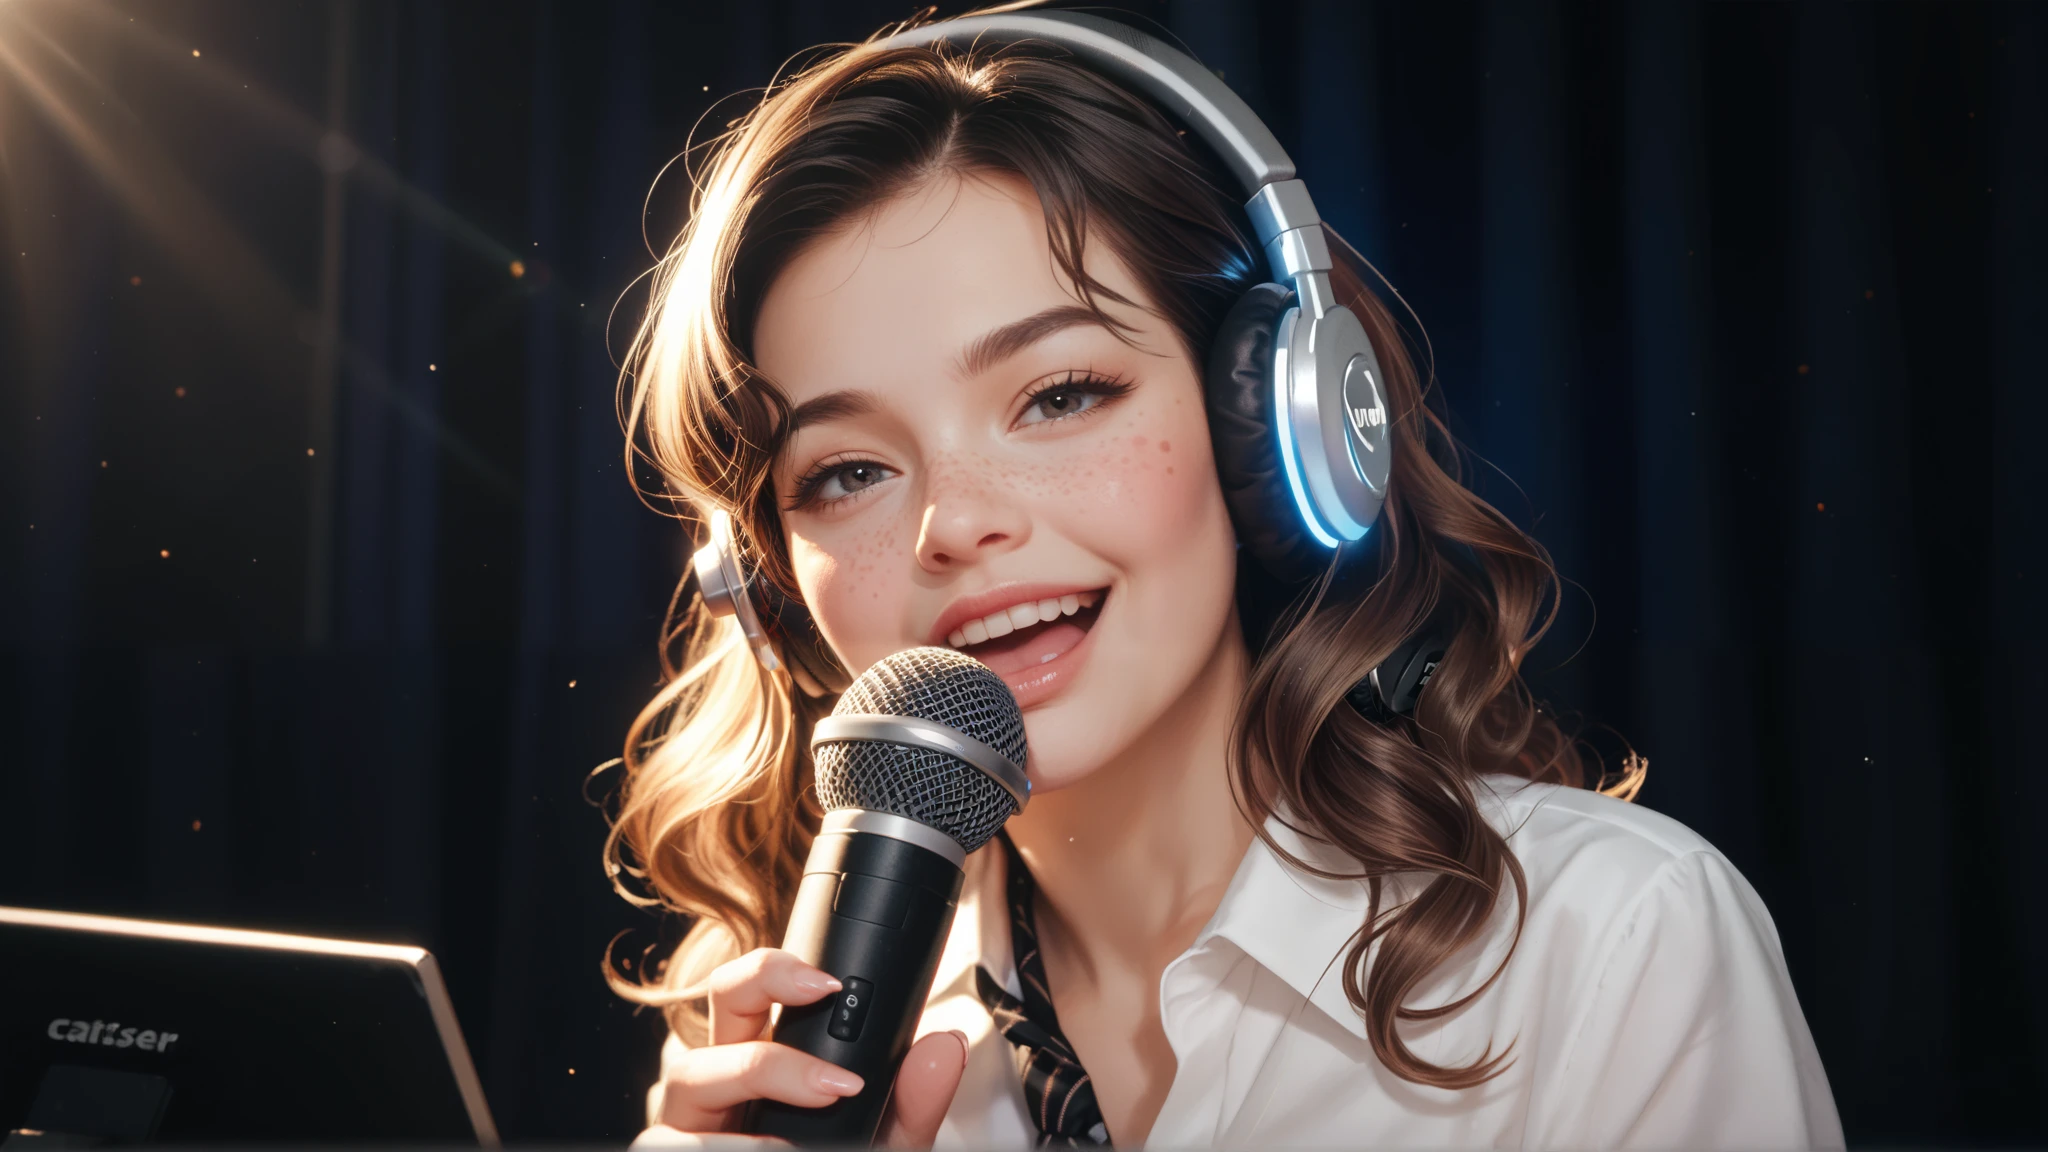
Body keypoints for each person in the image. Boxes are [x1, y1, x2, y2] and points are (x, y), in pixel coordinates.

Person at [606, 10, 1841, 1148]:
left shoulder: (1611, 945)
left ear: (1272, 425)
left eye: (1059, 395)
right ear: (766, 581)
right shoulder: (793, 1060)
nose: (955, 523)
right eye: (847, 471)